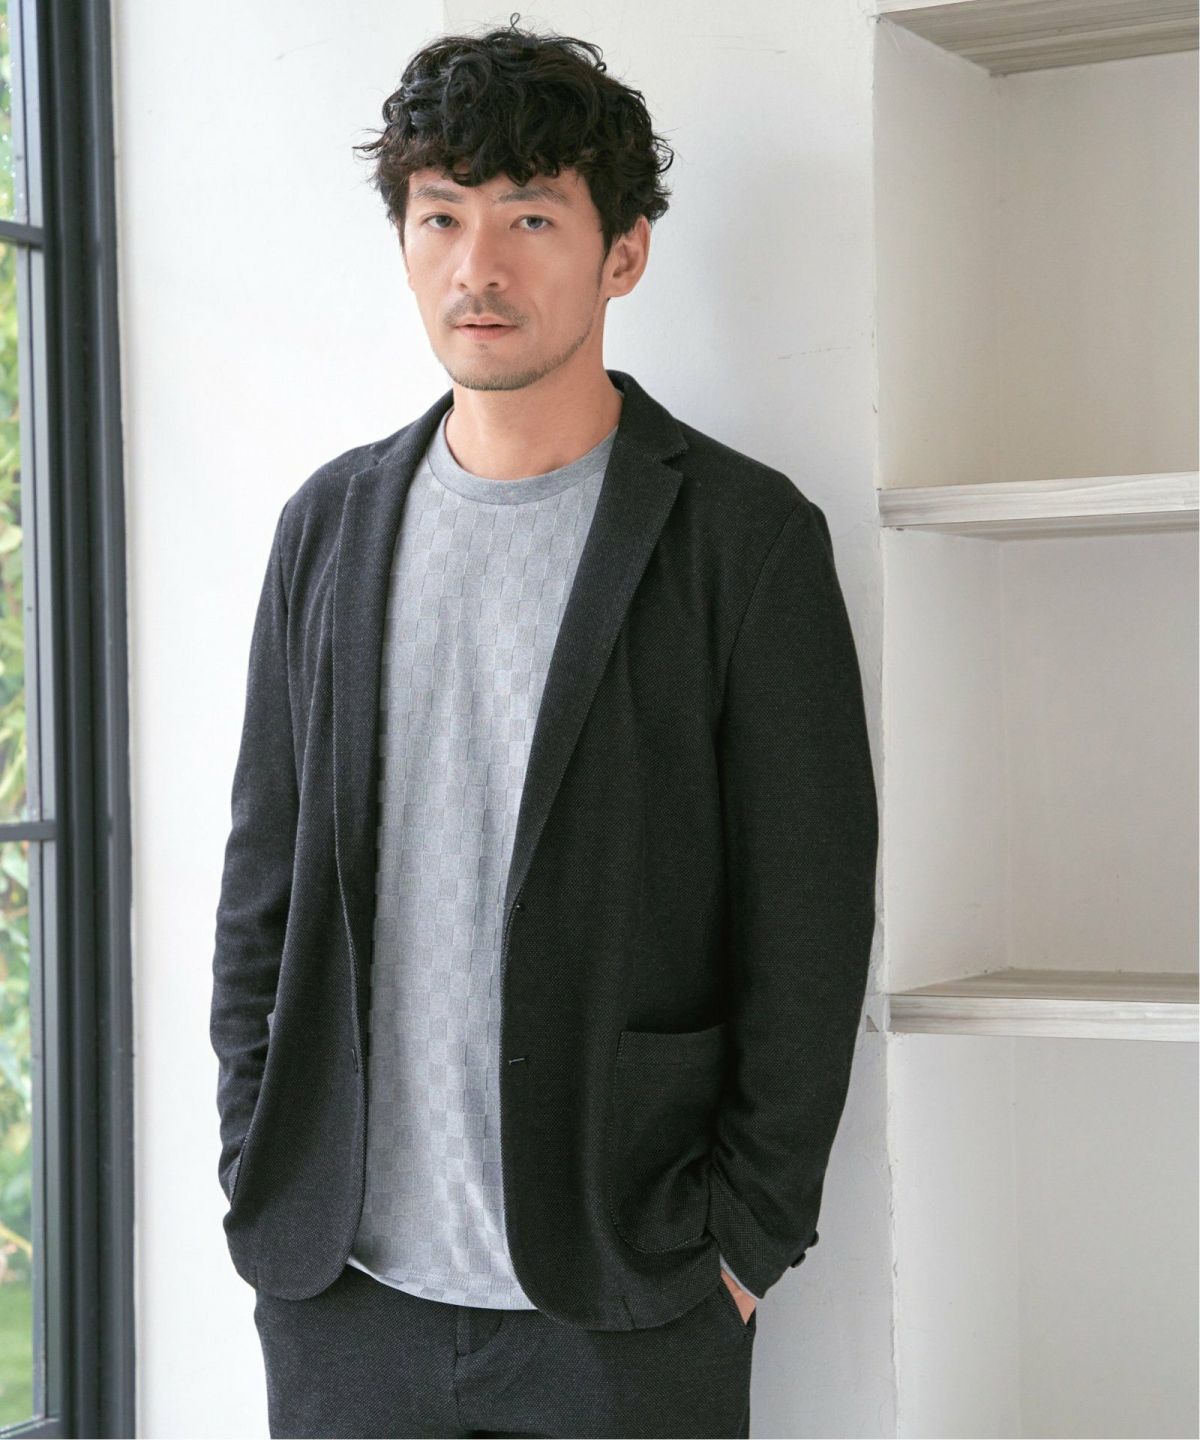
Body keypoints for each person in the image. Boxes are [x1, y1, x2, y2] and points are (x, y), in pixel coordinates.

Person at [211, 14, 880, 1439]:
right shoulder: (327, 528)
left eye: (529, 216)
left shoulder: (742, 540)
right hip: (343, 1300)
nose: (479, 266)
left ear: (621, 253)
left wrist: (745, 1243)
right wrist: (256, 1162)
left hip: (629, 1299)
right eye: (440, 215)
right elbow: (263, 887)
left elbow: (811, 923)